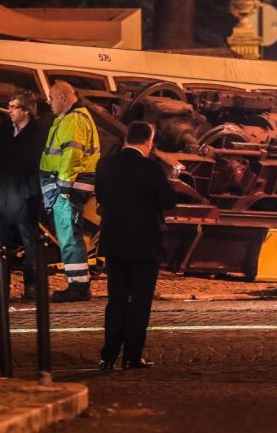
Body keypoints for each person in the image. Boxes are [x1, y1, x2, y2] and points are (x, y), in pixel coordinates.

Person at [95, 121, 178, 370]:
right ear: (148, 141)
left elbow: (101, 196)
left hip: (114, 241)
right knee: (140, 301)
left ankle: (108, 356)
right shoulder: (151, 168)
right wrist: (171, 179)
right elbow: (169, 201)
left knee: (116, 299)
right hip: (144, 244)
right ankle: (132, 356)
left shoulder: (106, 164)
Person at [0, 91, 48, 299]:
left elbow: (43, 166)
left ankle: (31, 285)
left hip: (24, 196)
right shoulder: (4, 130)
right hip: (1, 193)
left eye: (14, 107)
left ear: (26, 111)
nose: (10, 111)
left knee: (30, 243)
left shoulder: (39, 133)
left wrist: (29, 190)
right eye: (10, 106)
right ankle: (0, 286)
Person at [40, 80, 100, 302]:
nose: (49, 103)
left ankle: (78, 286)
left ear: (62, 97)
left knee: (69, 236)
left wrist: (63, 188)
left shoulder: (73, 119)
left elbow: (71, 155)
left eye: (51, 98)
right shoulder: (77, 117)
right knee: (70, 235)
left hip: (68, 187)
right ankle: (79, 283)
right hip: (73, 186)